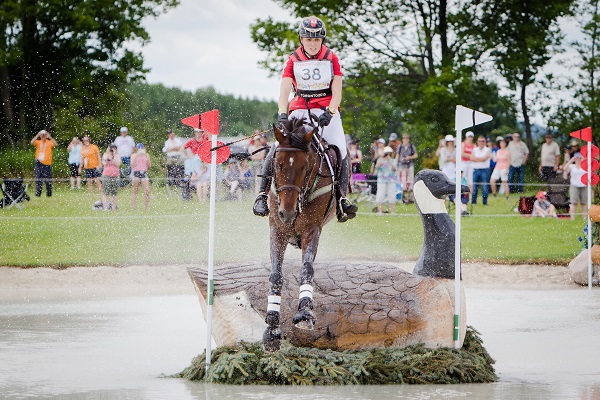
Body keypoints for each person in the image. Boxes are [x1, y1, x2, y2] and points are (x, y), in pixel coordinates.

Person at [252, 16, 358, 222]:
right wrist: (283, 113)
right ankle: (262, 195)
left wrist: (331, 110)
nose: (313, 43)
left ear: (322, 41)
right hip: (299, 111)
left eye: (317, 40)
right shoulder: (292, 60)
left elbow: (337, 91)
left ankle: (342, 199)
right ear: (302, 39)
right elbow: (284, 91)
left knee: (341, 148)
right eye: (309, 39)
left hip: (327, 112)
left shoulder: (332, 58)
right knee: (277, 147)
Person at [30, 129, 57, 197]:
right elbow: (32, 142)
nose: (43, 136)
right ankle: (38, 194)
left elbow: (55, 144)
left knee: (48, 180)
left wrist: (49, 137)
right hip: (39, 163)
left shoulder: (49, 142)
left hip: (47, 164)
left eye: (44, 135)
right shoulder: (38, 142)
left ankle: (49, 194)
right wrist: (37, 135)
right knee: (38, 179)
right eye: (42, 135)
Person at [374, 146, 397, 214]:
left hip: (391, 180)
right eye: (387, 153)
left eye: (389, 153)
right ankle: (380, 211)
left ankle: (392, 211)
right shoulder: (381, 160)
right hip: (382, 180)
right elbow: (377, 166)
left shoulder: (393, 160)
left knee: (391, 196)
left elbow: (394, 169)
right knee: (380, 195)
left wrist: (389, 160)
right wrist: (381, 157)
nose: (388, 155)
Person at [565, 152, 587, 220]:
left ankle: (584, 218)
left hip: (584, 185)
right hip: (574, 185)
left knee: (583, 203)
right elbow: (564, 168)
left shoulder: (585, 166)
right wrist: (571, 161)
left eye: (580, 158)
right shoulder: (572, 166)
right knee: (574, 203)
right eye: (577, 158)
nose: (578, 159)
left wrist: (584, 160)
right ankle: (572, 218)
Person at [470, 135, 491, 205]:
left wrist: (477, 159)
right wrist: (481, 159)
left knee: (485, 187)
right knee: (474, 187)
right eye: (480, 141)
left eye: (483, 141)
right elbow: (472, 158)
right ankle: (473, 202)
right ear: (477, 142)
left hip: (485, 170)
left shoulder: (488, 150)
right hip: (475, 170)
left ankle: (485, 203)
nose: (481, 142)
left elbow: (485, 158)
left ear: (485, 142)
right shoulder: (474, 149)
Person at [397, 133, 418, 202]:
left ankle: (410, 197)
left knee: (410, 181)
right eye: (404, 138)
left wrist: (409, 157)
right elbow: (397, 156)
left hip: (409, 165)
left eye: (407, 138)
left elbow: (416, 155)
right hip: (401, 166)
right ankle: (402, 196)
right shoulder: (400, 147)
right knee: (402, 181)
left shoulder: (411, 146)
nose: (405, 140)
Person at [100, 144, 121, 211]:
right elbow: (104, 162)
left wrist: (114, 155)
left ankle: (113, 208)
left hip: (115, 176)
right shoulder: (105, 154)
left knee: (114, 193)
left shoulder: (117, 156)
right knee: (105, 192)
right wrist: (107, 153)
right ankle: (105, 208)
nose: (111, 150)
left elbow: (118, 163)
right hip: (106, 175)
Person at [131, 143, 151, 210]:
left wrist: (146, 156)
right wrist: (137, 155)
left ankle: (146, 207)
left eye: (141, 148)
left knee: (147, 190)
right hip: (136, 172)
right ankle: (134, 207)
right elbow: (132, 165)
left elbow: (149, 165)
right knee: (135, 190)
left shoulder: (146, 155)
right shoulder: (134, 155)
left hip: (144, 172)